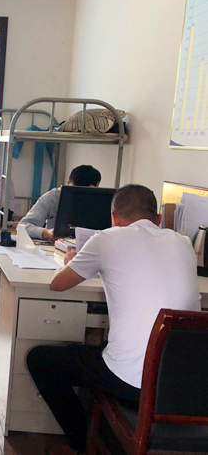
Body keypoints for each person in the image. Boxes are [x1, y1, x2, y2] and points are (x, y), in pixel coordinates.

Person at [26, 185, 201, 455]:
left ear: (114, 217)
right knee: (107, 348)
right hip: (184, 385)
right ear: (157, 219)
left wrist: (71, 260)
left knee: (41, 360)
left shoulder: (106, 238)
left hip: (132, 383)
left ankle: (81, 444)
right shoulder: (184, 242)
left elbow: (57, 284)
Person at [19, 164, 101, 241]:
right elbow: (23, 225)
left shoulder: (103, 200)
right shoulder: (53, 197)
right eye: (73, 192)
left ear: (97, 186)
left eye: (85, 194)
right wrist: (46, 233)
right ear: (67, 183)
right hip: (56, 246)